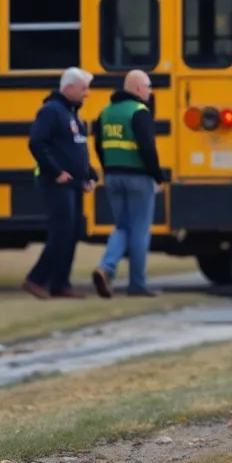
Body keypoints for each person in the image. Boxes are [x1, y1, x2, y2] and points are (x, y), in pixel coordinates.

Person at [23, 67, 98, 299]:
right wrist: (56, 171)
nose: (87, 94)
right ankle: (36, 279)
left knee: (73, 232)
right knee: (61, 231)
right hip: (55, 182)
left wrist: (89, 174)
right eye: (83, 89)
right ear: (69, 88)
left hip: (74, 183)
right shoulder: (51, 111)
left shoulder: (72, 114)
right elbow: (37, 142)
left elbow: (78, 149)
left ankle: (60, 283)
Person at [91, 70, 164, 298]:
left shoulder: (105, 112)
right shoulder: (139, 111)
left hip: (113, 177)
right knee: (140, 230)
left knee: (122, 227)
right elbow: (148, 148)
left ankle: (106, 267)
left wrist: (108, 169)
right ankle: (137, 285)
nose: (150, 91)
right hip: (138, 178)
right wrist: (158, 176)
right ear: (139, 88)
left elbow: (98, 145)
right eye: (148, 86)